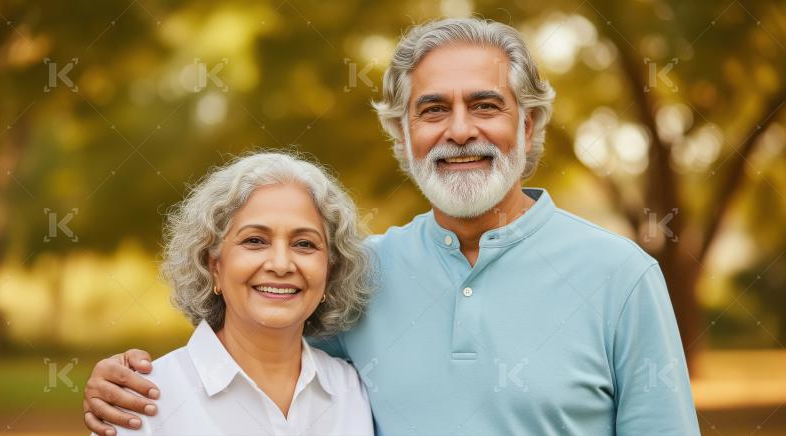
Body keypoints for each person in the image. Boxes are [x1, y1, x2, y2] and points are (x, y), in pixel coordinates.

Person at [84, 18, 700, 435]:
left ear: (530, 127)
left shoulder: (620, 278)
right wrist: (124, 381)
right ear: (403, 136)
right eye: (432, 110)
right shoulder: (356, 276)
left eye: (485, 105)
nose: (459, 130)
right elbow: (248, 346)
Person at [98, 152, 374, 435]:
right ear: (213, 264)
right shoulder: (142, 401)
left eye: (304, 244)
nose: (280, 264)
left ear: (330, 270)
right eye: (255, 240)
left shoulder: (354, 391)